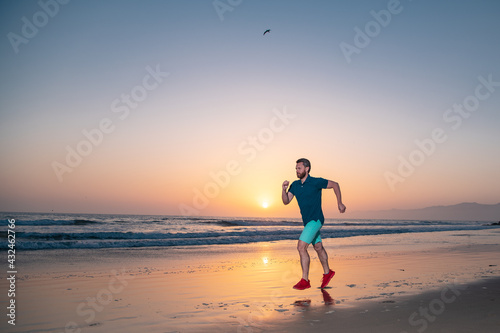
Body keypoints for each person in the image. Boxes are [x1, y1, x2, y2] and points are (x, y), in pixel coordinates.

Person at [282, 158, 346, 290]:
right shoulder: (294, 185)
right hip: (307, 223)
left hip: (316, 220)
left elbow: (335, 184)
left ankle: (305, 280)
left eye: (299, 168)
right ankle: (328, 273)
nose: (297, 170)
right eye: (296, 168)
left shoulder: (316, 182)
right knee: (318, 247)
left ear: (307, 169)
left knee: (301, 247)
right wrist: (283, 189)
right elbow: (286, 201)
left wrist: (339, 202)